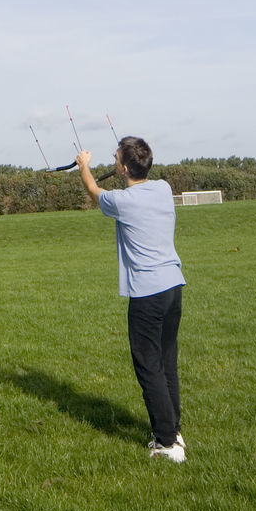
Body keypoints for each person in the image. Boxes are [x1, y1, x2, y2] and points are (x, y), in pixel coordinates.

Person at [76, 136, 186, 463]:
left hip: (148, 294)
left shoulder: (123, 201)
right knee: (166, 362)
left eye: (116, 157)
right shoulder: (163, 188)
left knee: (149, 366)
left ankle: (167, 444)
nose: (114, 159)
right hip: (173, 288)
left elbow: (95, 192)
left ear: (123, 168)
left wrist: (84, 166)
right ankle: (173, 431)